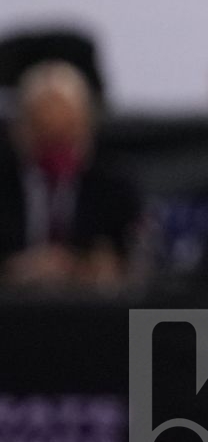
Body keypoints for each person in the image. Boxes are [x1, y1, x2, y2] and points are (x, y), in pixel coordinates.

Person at [0, 61, 140, 292]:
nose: (56, 149)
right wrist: (16, 269)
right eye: (44, 132)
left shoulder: (115, 186)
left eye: (65, 133)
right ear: (21, 129)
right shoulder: (5, 183)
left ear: (86, 127)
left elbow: (134, 266)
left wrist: (80, 268)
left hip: (92, 314)